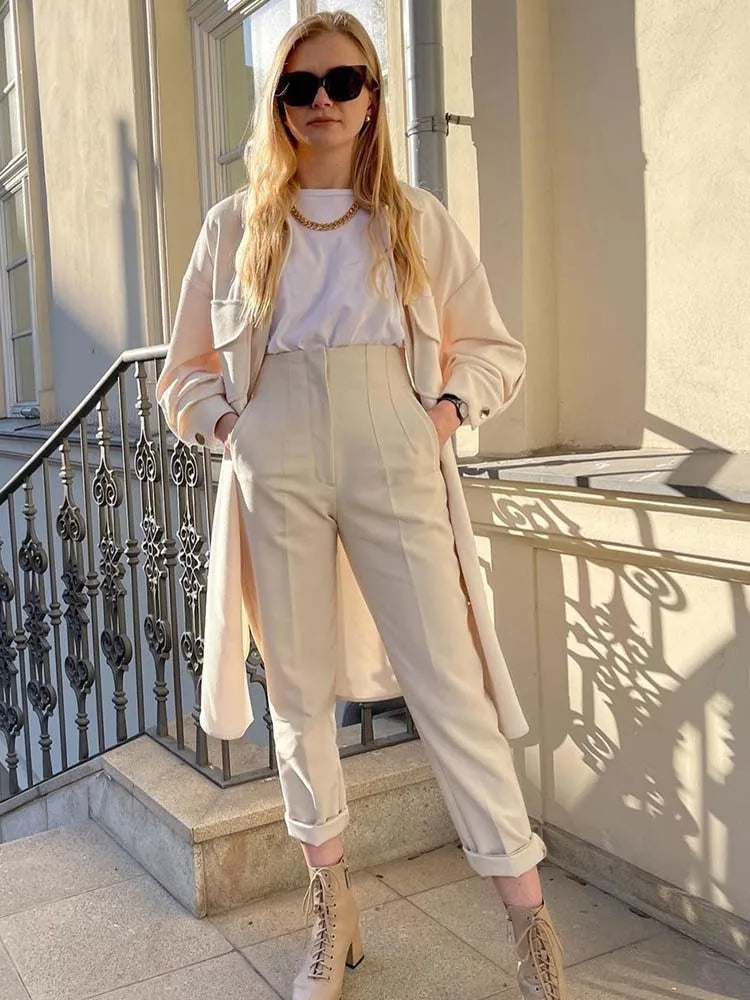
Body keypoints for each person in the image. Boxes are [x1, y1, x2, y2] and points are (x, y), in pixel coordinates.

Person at [157, 10, 567, 1000]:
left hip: (393, 438)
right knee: (297, 692)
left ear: (374, 97)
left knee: (450, 685)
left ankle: (531, 928)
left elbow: (492, 347)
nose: (322, 102)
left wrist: (444, 413)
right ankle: (331, 911)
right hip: (276, 447)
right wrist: (231, 427)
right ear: (277, 105)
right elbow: (184, 374)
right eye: (299, 87)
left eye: (343, 82)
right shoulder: (233, 227)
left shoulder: (415, 219)